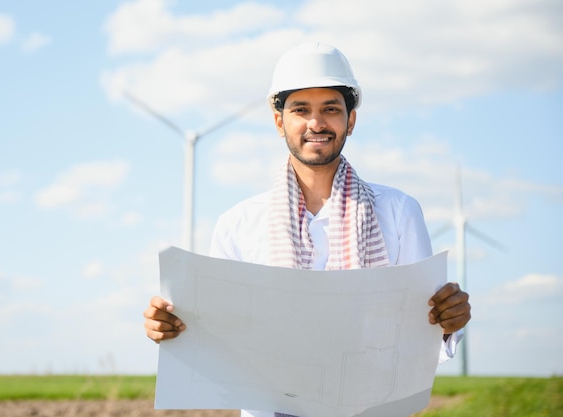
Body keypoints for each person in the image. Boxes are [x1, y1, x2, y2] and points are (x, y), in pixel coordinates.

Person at [143, 42, 471, 417]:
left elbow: (421, 331)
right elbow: (217, 333)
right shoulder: (239, 223)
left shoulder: (397, 212)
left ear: (351, 120)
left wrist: (448, 321)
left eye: (331, 109)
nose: (317, 123)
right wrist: (171, 328)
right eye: (301, 110)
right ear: (280, 121)